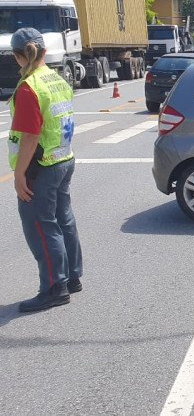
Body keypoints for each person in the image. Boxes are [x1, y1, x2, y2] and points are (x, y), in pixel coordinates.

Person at [7, 27, 81, 313]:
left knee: (40, 225)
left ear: (17, 57)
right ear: (44, 52)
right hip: (63, 158)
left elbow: (30, 136)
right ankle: (72, 276)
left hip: (41, 165)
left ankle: (54, 287)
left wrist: (19, 174)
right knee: (63, 220)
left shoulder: (29, 87)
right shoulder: (56, 78)